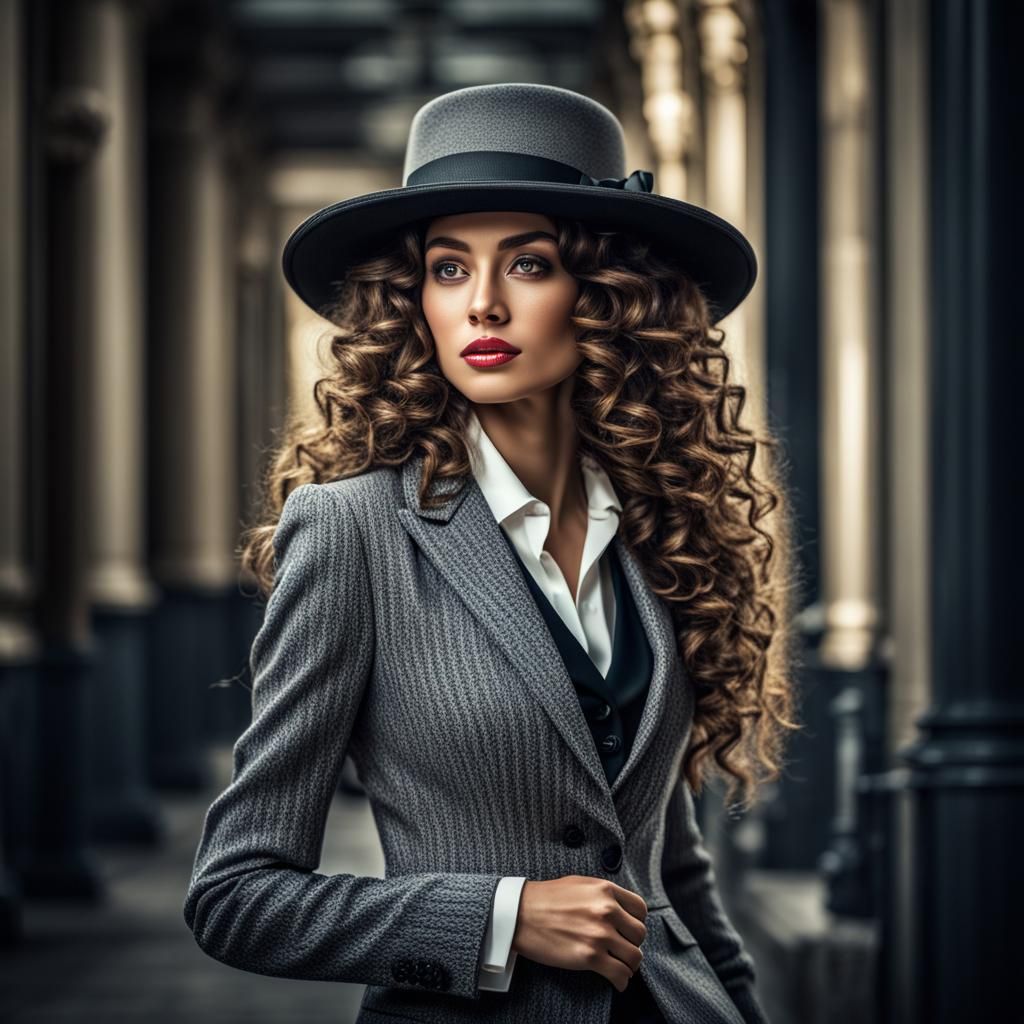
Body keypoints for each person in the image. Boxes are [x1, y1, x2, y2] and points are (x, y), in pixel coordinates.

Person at [183, 82, 800, 1024]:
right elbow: (237, 897)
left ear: (605, 297)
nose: (481, 306)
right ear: (412, 302)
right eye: (446, 269)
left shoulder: (658, 532)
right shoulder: (350, 531)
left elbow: (666, 877)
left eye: (527, 263)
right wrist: (502, 918)